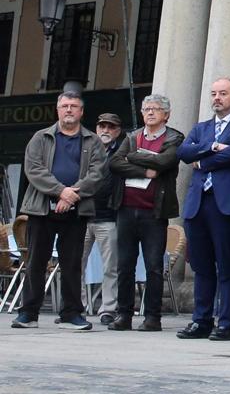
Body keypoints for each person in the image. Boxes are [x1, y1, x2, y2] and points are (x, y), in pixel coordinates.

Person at [10, 91, 105, 330]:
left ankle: (71, 313)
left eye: (74, 106)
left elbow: (97, 173)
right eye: (65, 106)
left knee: (72, 263)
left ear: (82, 112)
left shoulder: (93, 141)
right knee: (36, 261)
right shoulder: (40, 137)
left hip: (76, 210)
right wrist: (61, 191)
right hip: (41, 209)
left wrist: (72, 195)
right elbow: (34, 170)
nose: (69, 110)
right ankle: (28, 313)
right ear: (58, 109)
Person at [177, 77, 230, 340]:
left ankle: (227, 322)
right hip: (197, 205)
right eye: (213, 93)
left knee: (227, 265)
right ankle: (201, 320)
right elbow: (183, 151)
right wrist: (212, 147)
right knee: (201, 267)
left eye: (223, 93)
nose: (217, 98)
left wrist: (203, 162)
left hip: (226, 205)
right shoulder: (201, 128)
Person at [107, 94, 184, 332]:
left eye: (156, 109)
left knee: (153, 266)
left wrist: (133, 157)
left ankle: (152, 317)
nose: (150, 112)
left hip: (154, 212)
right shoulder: (132, 136)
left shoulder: (174, 137)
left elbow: (164, 162)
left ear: (166, 115)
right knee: (125, 265)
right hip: (127, 209)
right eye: (146, 109)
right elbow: (115, 163)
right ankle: (124, 315)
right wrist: (144, 169)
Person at [81, 112, 124, 324]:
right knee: (75, 264)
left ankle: (108, 308)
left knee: (111, 267)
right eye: (102, 126)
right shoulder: (86, 149)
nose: (105, 130)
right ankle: (76, 307)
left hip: (108, 216)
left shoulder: (122, 152)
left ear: (117, 131)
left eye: (110, 127)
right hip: (82, 216)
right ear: (96, 129)